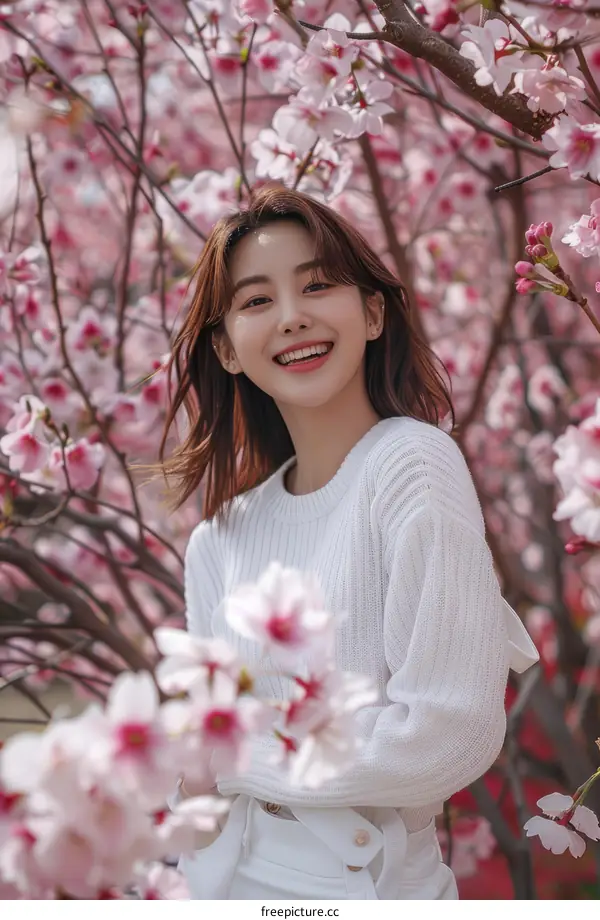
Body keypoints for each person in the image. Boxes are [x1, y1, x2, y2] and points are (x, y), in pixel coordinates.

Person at [157, 185, 539, 900]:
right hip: (223, 880)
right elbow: (198, 773)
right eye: (256, 301)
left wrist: (241, 753)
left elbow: (447, 733)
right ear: (227, 348)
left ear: (371, 312)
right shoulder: (220, 539)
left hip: (361, 884)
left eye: (318, 285)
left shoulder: (409, 465)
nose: (293, 317)